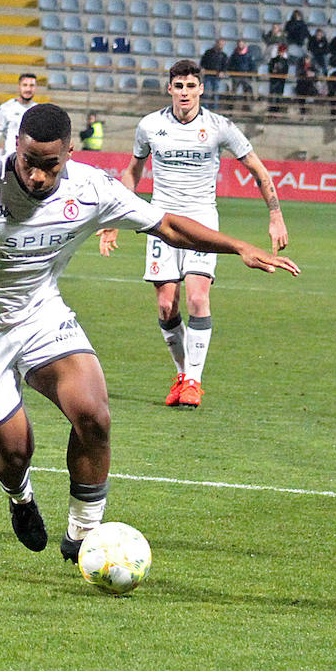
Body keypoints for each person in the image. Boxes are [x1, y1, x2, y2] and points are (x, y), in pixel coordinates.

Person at [0, 103, 297, 562]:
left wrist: (238, 245)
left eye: (50, 165)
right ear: (16, 148)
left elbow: (167, 224)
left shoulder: (92, 189)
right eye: (29, 163)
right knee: (17, 451)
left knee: (93, 413)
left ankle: (83, 536)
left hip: (40, 314)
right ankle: (20, 497)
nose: (38, 177)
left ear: (69, 152)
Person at [96, 60, 289, 409]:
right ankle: (185, 376)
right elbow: (132, 171)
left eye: (191, 86)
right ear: (169, 89)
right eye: (179, 86)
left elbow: (258, 170)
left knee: (198, 298)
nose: (185, 92)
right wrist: (113, 219)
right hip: (161, 220)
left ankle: (194, 383)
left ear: (201, 88)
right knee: (166, 304)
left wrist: (275, 215)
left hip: (202, 220)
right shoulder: (150, 126)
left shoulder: (220, 127)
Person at [0, 73, 36, 158]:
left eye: (32, 85)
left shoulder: (38, 110)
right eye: (25, 85)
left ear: (35, 88)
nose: (28, 89)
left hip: (30, 161)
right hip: (10, 159)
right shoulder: (6, 108)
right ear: (19, 87)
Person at [199, 39, 228, 109]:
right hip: (208, 75)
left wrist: (222, 72)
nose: (221, 46)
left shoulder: (223, 55)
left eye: (222, 45)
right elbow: (202, 62)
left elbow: (225, 66)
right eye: (220, 44)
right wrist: (202, 68)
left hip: (217, 76)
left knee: (215, 93)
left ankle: (215, 108)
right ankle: (204, 108)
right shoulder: (208, 52)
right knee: (206, 92)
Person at [267, 43, 290, 114]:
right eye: (281, 51)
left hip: (281, 81)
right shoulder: (273, 60)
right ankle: (271, 110)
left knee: (279, 96)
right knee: (272, 96)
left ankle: (277, 111)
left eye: (283, 52)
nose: (282, 53)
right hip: (274, 80)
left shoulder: (285, 61)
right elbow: (270, 69)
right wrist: (273, 71)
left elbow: (286, 71)